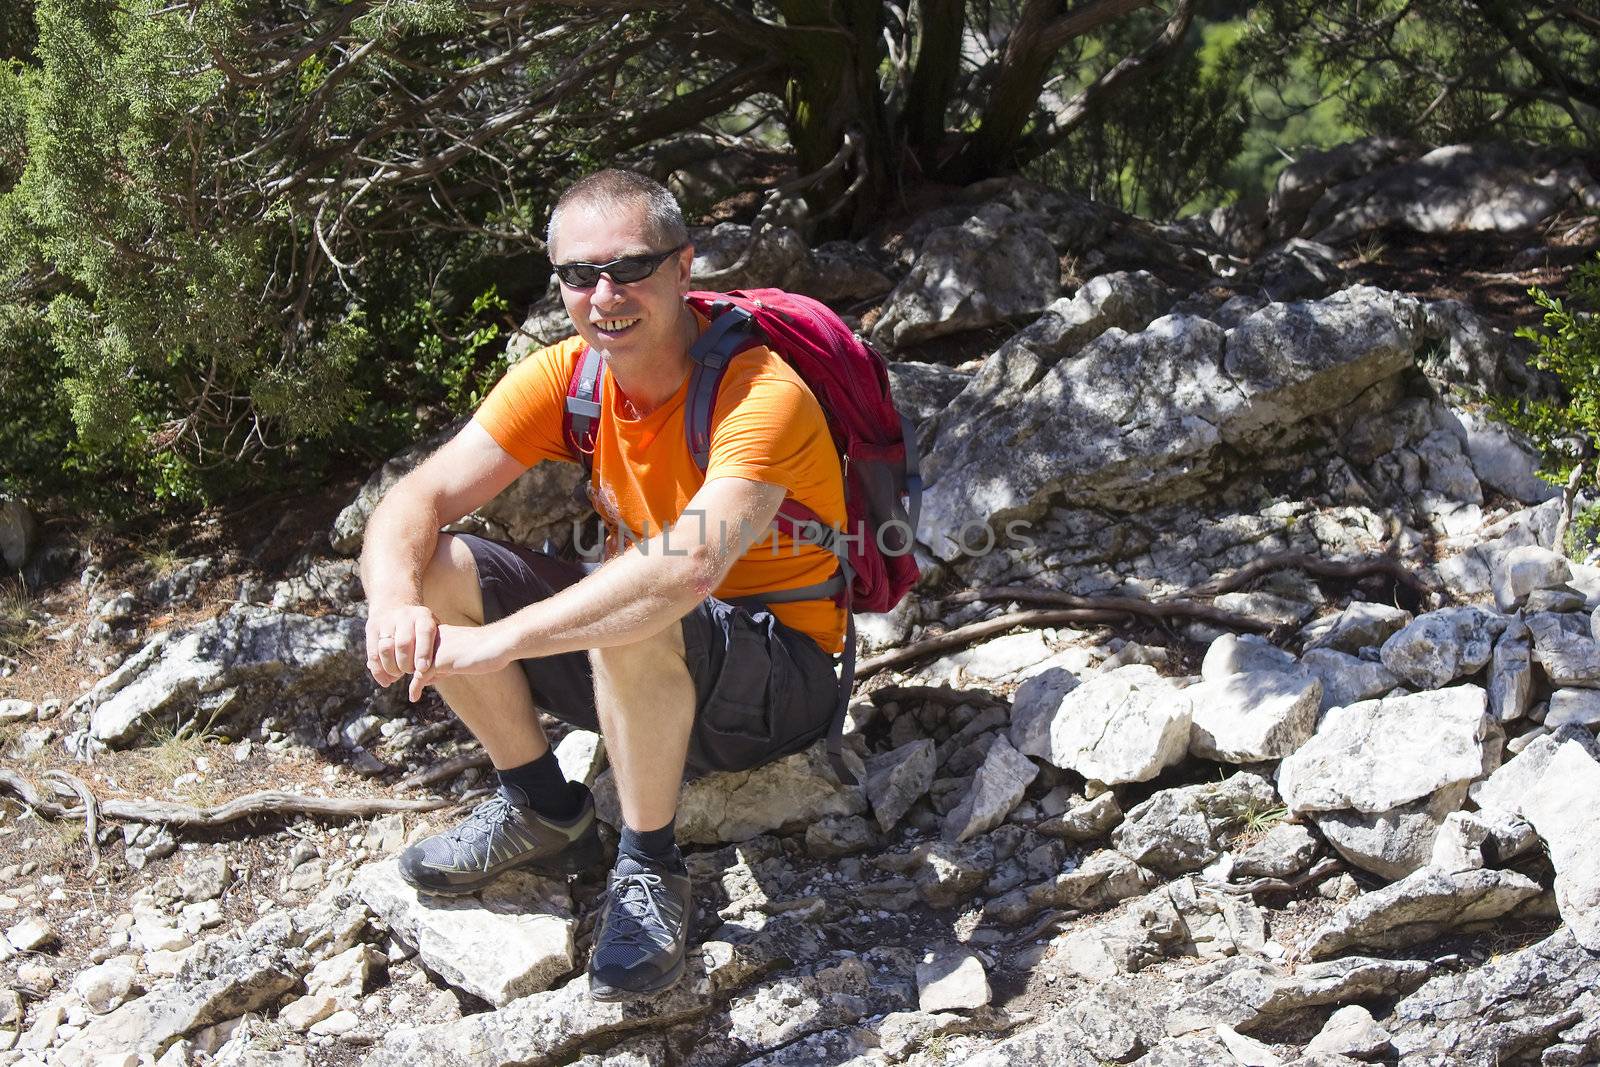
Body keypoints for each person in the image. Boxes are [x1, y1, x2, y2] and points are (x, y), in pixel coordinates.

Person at [358, 169, 847, 1001]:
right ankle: (544, 806)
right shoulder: (569, 379)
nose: (604, 294)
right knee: (437, 564)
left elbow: (687, 566)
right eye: (579, 275)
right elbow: (414, 498)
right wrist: (396, 601)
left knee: (636, 595)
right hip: (651, 659)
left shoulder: (761, 395)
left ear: (684, 268)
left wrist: (500, 640)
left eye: (631, 267)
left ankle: (651, 866)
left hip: (782, 682)